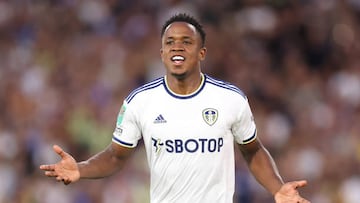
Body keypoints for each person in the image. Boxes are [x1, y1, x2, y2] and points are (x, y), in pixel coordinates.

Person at [40, 13, 310, 203]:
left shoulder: (230, 99)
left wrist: (277, 189)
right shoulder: (140, 101)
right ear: (161, 53)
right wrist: (81, 169)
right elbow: (115, 156)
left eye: (186, 41)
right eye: (169, 42)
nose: (177, 47)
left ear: (201, 53)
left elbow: (252, 150)